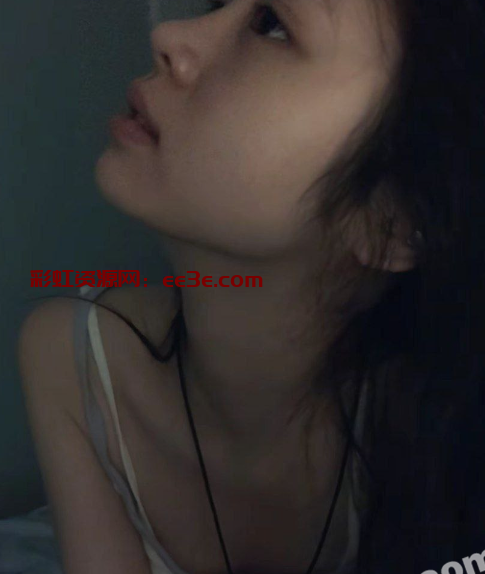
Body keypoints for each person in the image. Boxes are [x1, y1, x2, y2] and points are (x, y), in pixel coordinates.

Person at [18, 0, 485, 573]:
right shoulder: (73, 359)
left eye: (272, 25)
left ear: (390, 218)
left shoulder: (425, 425)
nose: (169, 35)